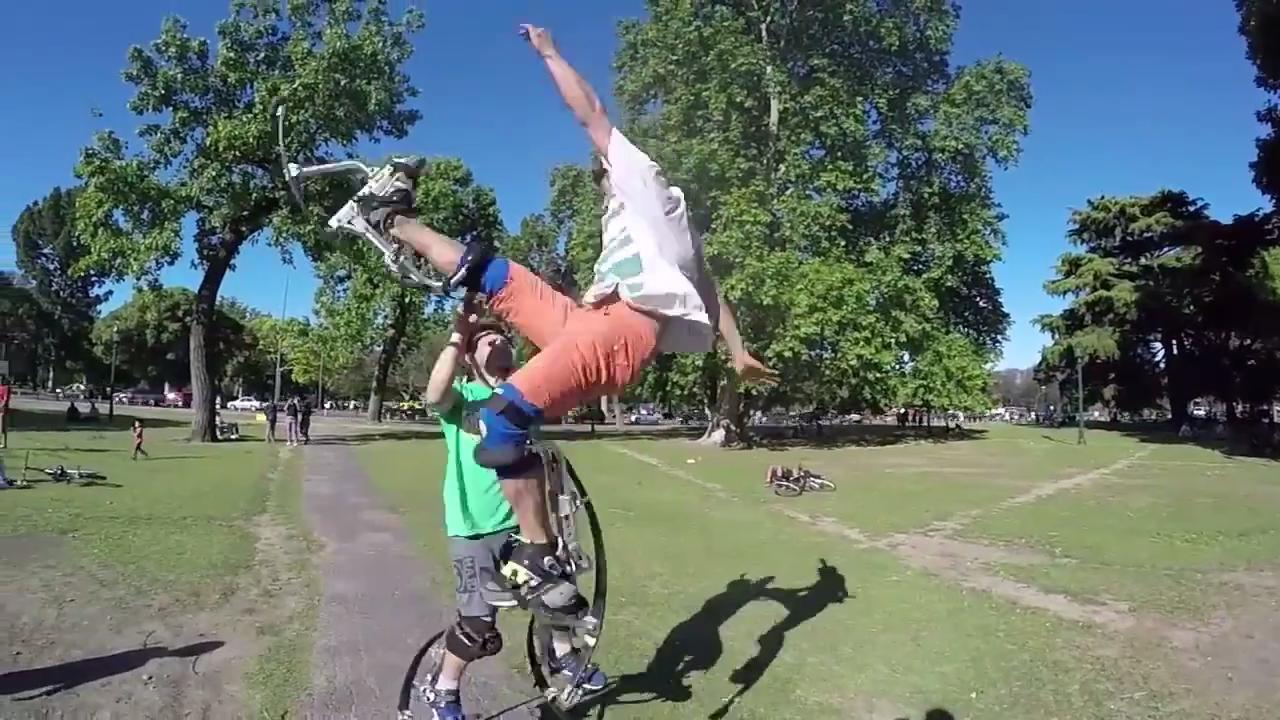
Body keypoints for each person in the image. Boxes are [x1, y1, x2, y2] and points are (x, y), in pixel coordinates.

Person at [361, 23, 776, 614]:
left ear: (614, 174)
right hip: (586, 320)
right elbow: (712, 292)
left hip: (620, 334)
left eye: (598, 176)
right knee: (493, 274)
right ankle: (392, 219)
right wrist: (736, 351)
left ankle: (539, 553)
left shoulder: (642, 179)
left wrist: (552, 53)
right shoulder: (670, 235)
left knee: (499, 422)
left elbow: (592, 114)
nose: (597, 183)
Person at [419, 303, 607, 720]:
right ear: (470, 356)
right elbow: (434, 395)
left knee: (557, 594)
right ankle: (443, 690)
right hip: (471, 529)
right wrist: (457, 333)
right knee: (478, 630)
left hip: (522, 525)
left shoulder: (525, 396)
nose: (498, 341)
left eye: (502, 336)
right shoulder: (464, 397)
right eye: (486, 339)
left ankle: (562, 656)